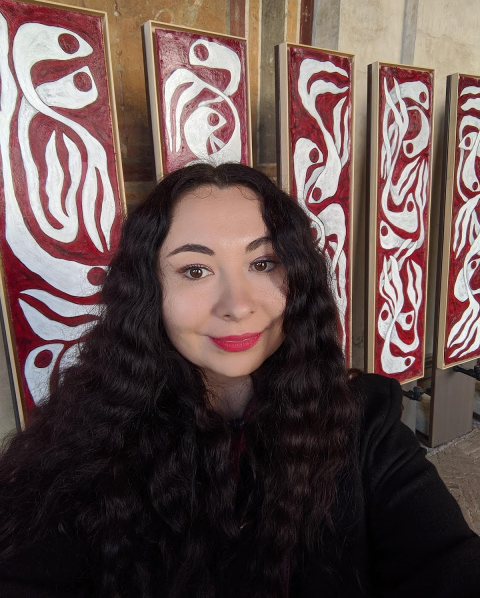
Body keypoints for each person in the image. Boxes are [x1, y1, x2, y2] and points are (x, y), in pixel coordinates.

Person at [0, 163, 479, 598]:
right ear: (148, 291)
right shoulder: (80, 444)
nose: (237, 305)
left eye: (263, 263)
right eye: (195, 270)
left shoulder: (363, 417)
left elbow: (446, 563)